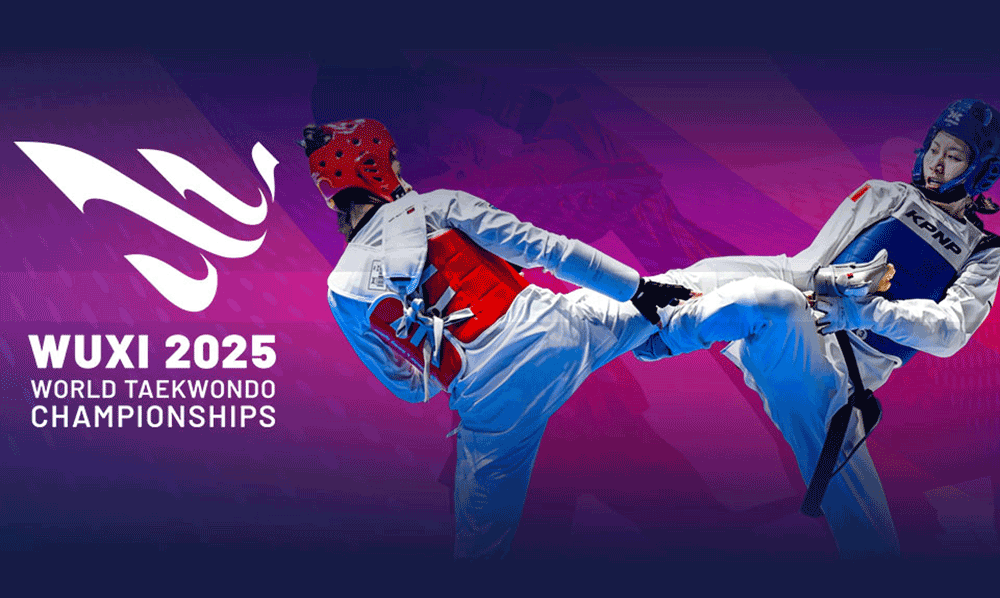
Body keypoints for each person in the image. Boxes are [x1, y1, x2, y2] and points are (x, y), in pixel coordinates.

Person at [301, 117, 692, 559]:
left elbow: (412, 389)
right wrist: (635, 288)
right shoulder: (439, 204)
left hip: (490, 405)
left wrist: (452, 355)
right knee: (679, 301)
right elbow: (549, 250)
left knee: (479, 550)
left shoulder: (342, 290)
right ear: (373, 168)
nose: (399, 169)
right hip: (557, 334)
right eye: (392, 160)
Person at [634, 99, 1000, 558]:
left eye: (954, 156)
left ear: (981, 169)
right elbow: (804, 269)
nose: (937, 164)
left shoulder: (983, 251)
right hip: (795, 341)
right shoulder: (884, 196)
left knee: (876, 544)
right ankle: (653, 329)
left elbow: (948, 333)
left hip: (839, 391)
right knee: (764, 294)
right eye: (934, 149)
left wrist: (866, 314)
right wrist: (691, 281)